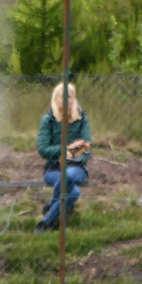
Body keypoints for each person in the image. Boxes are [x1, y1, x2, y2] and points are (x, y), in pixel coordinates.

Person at [35, 82, 91, 232]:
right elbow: (42, 149)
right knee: (74, 193)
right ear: (56, 99)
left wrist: (75, 157)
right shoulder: (48, 120)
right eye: (64, 97)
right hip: (53, 169)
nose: (68, 100)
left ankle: (46, 220)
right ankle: (52, 216)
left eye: (71, 97)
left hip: (76, 167)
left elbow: (86, 148)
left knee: (69, 175)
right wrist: (66, 150)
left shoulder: (82, 118)